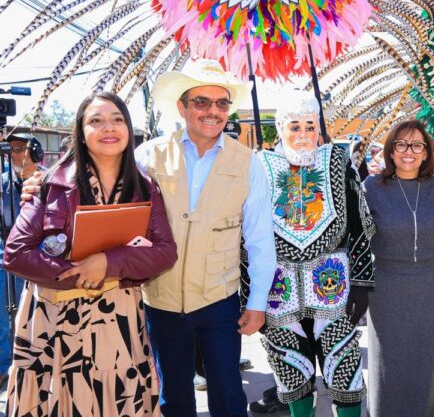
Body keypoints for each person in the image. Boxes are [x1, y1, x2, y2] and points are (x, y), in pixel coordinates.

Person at [2, 91, 178, 415]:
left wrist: (110, 263)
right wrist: (79, 272)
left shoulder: (144, 187)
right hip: (53, 324)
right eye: (95, 121)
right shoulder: (50, 184)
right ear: (81, 133)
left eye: (117, 119)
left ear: (128, 128)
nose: (108, 128)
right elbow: (15, 252)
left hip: (118, 327)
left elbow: (166, 252)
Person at [135, 59, 276, 417]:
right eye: (201, 102)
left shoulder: (249, 162)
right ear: (182, 107)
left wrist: (257, 302)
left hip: (218, 299)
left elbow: (260, 238)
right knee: (173, 397)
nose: (213, 112)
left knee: (228, 394)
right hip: (161, 300)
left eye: (222, 103)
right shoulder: (148, 156)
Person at [256, 89, 375, 417]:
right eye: (295, 127)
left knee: (345, 367)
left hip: (332, 285)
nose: (304, 135)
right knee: (291, 368)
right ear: (281, 128)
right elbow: (246, 236)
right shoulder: (259, 166)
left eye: (310, 126)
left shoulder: (338, 160)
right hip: (278, 290)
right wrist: (250, 299)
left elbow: (359, 223)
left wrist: (363, 282)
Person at [363, 120, 434, 417]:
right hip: (387, 286)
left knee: (429, 360)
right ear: (390, 151)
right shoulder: (372, 188)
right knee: (390, 362)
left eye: (416, 145)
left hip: (429, 284)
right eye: (401, 144)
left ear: (426, 153)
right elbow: (355, 235)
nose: (408, 151)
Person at [0, 132, 43, 385]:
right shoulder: (3, 183)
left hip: (40, 259)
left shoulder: (49, 179)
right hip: (7, 258)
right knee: (3, 319)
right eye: (11, 149)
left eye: (20, 148)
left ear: (35, 152)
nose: (15, 154)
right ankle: (6, 367)